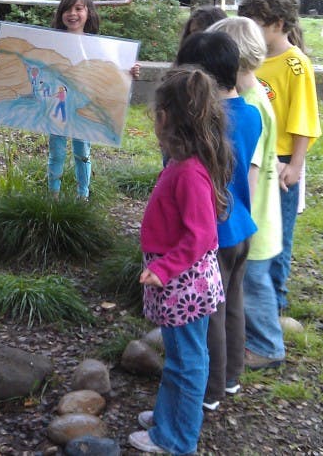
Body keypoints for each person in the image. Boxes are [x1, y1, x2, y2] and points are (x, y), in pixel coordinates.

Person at [130, 66, 230, 455]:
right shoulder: (182, 162)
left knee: (187, 362)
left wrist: (162, 268)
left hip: (182, 282)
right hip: (178, 278)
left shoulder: (189, 171)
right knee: (180, 357)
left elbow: (202, 236)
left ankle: (176, 439)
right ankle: (167, 417)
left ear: (166, 117)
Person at [174, 31, 261, 411]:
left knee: (208, 311)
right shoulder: (252, 113)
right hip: (242, 224)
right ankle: (230, 378)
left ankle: (208, 390)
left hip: (214, 231)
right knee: (233, 301)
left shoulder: (205, 124)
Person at [239, 0, 321, 318]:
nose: (249, 29)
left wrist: (295, 165)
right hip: (252, 157)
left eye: (255, 22)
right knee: (254, 230)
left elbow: (304, 119)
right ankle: (251, 300)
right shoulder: (251, 59)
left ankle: (275, 302)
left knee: (278, 234)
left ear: (276, 23)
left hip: (283, 163)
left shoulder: (295, 64)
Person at [209, 16, 286, 370]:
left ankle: (268, 345)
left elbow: (248, 174)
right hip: (255, 216)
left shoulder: (248, 106)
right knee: (248, 285)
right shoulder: (256, 95)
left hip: (249, 218)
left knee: (251, 287)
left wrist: (237, 220)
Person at [44, 0, 141, 200]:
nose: (72, 14)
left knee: (82, 151)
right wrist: (1, 65)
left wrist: (129, 72)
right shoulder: (50, 42)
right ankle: (52, 197)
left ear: (89, 14)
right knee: (57, 152)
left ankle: (83, 197)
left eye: (78, 8)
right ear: (61, 13)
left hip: (85, 107)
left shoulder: (100, 47)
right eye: (68, 9)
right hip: (57, 105)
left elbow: (110, 72)